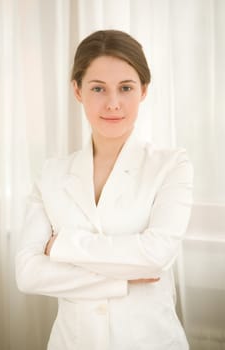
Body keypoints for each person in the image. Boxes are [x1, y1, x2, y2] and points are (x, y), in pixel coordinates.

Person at [15, 29, 193, 350]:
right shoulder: (51, 174)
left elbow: (155, 256)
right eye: (98, 88)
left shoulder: (172, 166)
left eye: (126, 87)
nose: (113, 103)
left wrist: (62, 246)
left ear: (144, 91)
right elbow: (28, 274)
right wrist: (121, 278)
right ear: (78, 90)